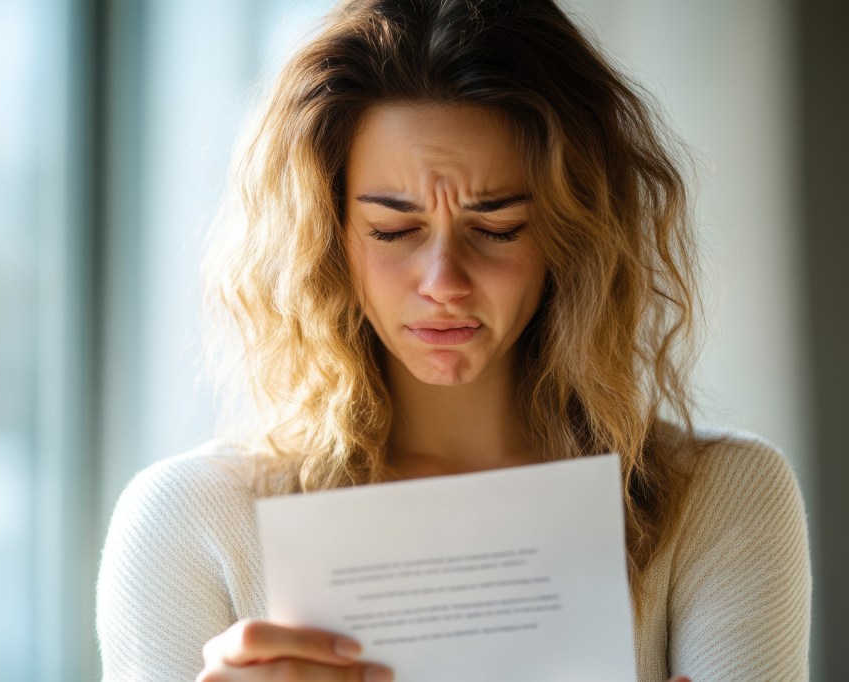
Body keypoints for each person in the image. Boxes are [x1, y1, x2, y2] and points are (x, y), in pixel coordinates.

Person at [95, 0, 811, 680]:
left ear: (576, 234)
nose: (443, 281)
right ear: (327, 235)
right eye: (393, 230)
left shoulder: (721, 498)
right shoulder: (188, 523)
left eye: (497, 228)